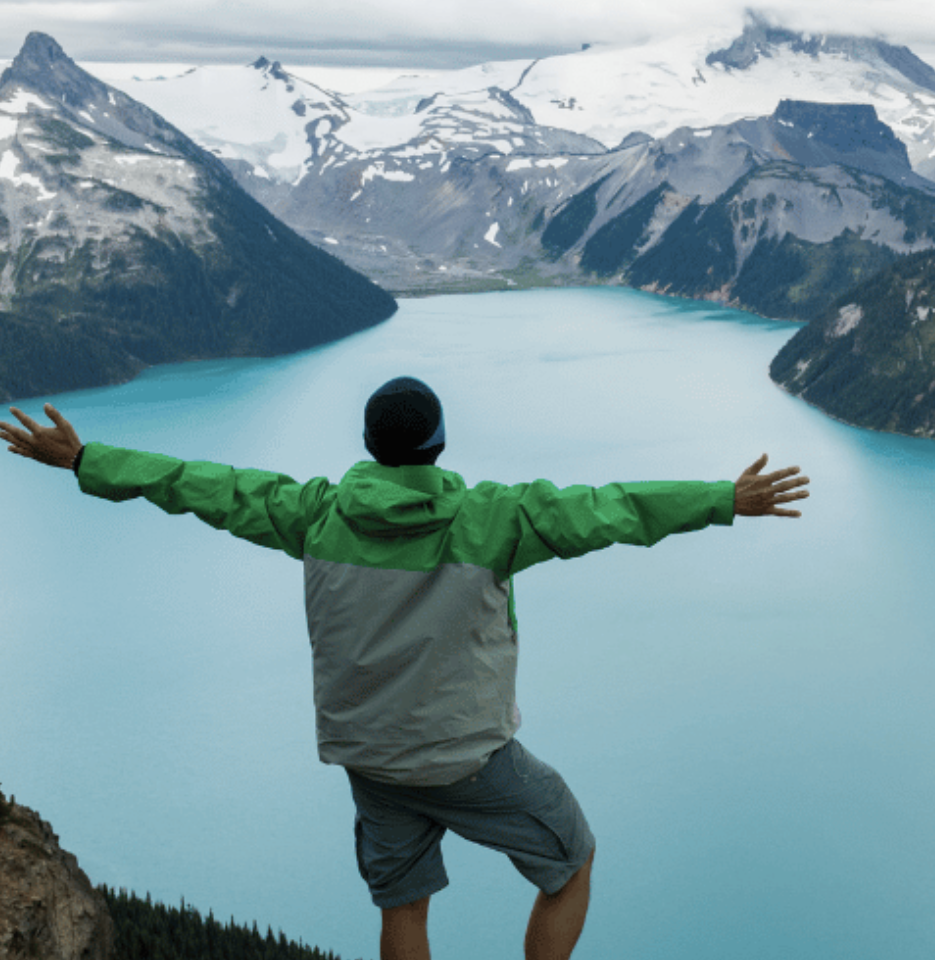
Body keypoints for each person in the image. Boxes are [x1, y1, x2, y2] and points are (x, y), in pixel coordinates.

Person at [1, 379, 810, 960]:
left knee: (404, 902)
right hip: (467, 759)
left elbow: (199, 486)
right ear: (437, 444)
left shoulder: (312, 512)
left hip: (368, 758)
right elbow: (612, 509)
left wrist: (86, 460)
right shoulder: (495, 519)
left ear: (369, 446)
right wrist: (722, 499)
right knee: (573, 858)